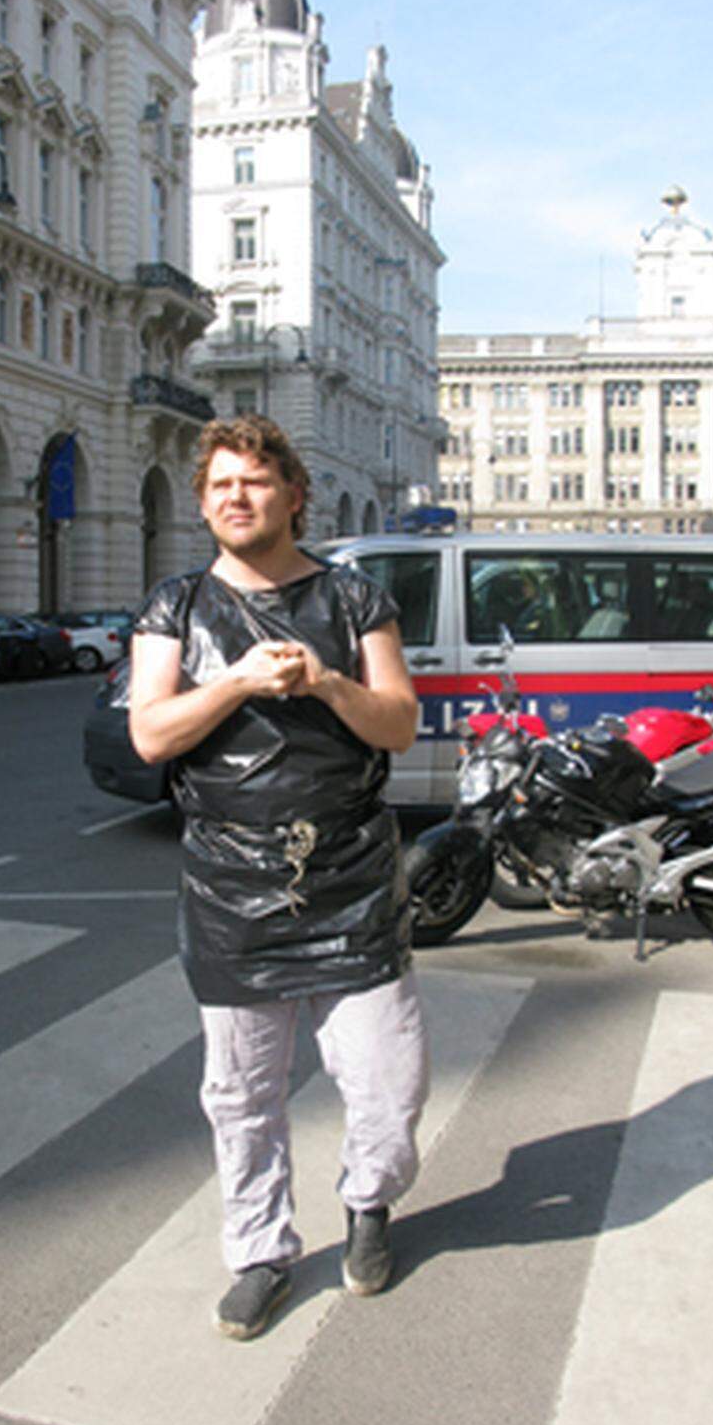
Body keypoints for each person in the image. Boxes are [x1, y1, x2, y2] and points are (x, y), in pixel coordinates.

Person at [129, 414, 429, 1342]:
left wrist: (329, 685)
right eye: (219, 484)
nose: (235, 497)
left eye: (253, 481)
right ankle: (260, 1252)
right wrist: (236, 685)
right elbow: (150, 735)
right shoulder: (174, 606)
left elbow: (399, 725)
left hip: (349, 875)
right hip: (229, 887)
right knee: (241, 1096)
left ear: (293, 495)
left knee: (389, 1084)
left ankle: (370, 1204)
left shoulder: (353, 599)